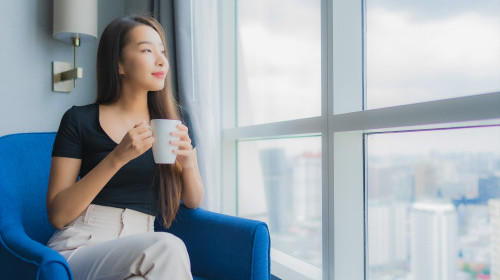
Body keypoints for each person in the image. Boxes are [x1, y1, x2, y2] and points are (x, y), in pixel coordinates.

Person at [46, 15, 204, 280]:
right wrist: (117, 157)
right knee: (168, 247)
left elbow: (193, 200)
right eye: (146, 50)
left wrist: (187, 165)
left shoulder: (176, 120)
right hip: (82, 245)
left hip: (142, 247)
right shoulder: (79, 119)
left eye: (162, 51)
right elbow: (58, 215)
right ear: (119, 63)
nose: (161, 60)